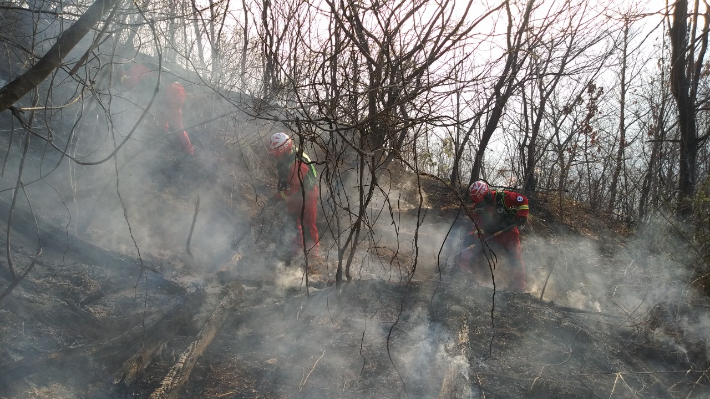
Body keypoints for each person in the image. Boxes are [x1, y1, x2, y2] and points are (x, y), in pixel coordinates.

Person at [459, 180, 529, 291]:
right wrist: (472, 236)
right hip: (491, 234)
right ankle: (462, 278)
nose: (480, 204)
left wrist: (522, 215)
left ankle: (519, 286)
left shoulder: (504, 197)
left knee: (515, 258)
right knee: (470, 252)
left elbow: (523, 200)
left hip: (510, 233)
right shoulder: (478, 208)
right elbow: (478, 227)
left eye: (481, 201)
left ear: (486, 195)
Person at [116, 63, 194, 155]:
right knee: (165, 119)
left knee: (176, 125)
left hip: (172, 92)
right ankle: (161, 141)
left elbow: (130, 83)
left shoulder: (137, 66)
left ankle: (188, 152)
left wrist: (121, 72)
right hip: (174, 90)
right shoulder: (147, 65)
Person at [267, 132, 320, 260]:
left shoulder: (297, 162)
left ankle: (312, 256)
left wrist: (277, 197)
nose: (276, 158)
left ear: (283, 151)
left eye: (277, 155)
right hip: (295, 194)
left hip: (307, 195)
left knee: (308, 225)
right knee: (292, 222)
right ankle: (297, 252)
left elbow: (293, 187)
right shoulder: (288, 156)